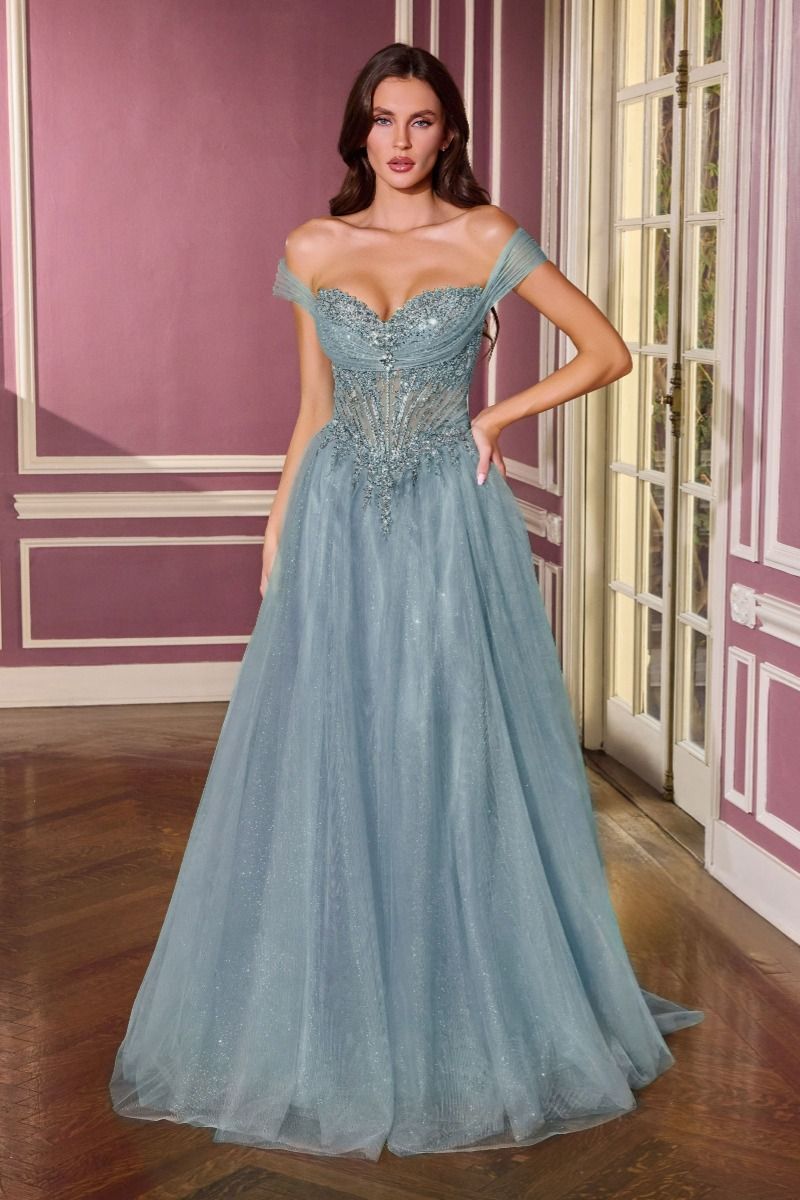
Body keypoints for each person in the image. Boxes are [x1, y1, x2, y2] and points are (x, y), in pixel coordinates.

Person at [109, 42, 704, 1162]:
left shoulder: (484, 237)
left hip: (446, 522)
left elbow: (607, 351)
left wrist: (493, 417)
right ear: (359, 130)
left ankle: (460, 990)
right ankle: (334, 994)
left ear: (448, 133)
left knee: (445, 738)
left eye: (422, 121)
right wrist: (277, 526)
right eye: (383, 119)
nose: (400, 140)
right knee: (333, 742)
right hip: (335, 516)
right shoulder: (311, 245)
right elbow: (311, 408)